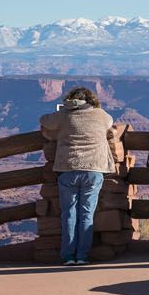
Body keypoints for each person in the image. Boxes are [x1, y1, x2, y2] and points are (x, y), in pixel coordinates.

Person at [40, 87, 116, 265]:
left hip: (68, 169)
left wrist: (62, 113)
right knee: (87, 214)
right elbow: (110, 121)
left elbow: (44, 120)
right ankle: (82, 256)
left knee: (69, 214)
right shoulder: (101, 114)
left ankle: (68, 256)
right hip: (93, 170)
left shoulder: (64, 115)